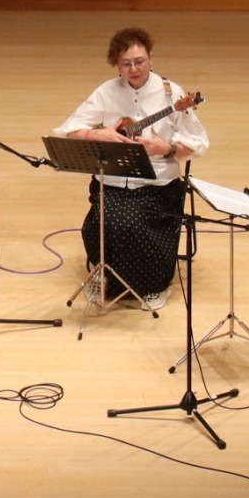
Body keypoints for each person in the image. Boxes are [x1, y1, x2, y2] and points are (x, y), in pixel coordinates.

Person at [55, 27, 209, 311]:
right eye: (126, 64)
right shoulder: (106, 92)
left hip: (157, 184)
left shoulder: (171, 93)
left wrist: (166, 148)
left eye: (140, 61)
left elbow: (197, 143)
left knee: (131, 222)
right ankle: (106, 277)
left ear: (151, 58)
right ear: (117, 65)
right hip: (113, 180)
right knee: (99, 222)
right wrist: (97, 134)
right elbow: (70, 130)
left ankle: (154, 285)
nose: (134, 69)